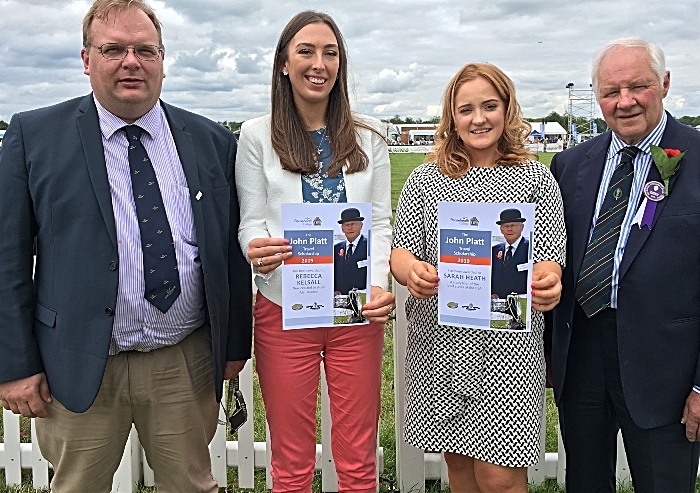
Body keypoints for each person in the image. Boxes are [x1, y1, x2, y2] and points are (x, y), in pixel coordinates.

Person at [0, 1, 252, 491]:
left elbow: (228, 254)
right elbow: (7, 261)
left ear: (162, 59)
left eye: (144, 49)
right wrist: (14, 365)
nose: (131, 61)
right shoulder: (35, 137)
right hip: (76, 361)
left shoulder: (210, 141)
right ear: (86, 58)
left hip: (183, 360)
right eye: (113, 49)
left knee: (191, 484)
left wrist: (234, 344)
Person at [235, 11, 394, 492]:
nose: (318, 63)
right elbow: (251, 221)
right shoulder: (256, 135)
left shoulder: (371, 135)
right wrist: (254, 249)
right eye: (305, 51)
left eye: (330, 52)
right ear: (284, 62)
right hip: (284, 308)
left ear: (341, 64)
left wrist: (379, 285)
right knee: (290, 459)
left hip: (354, 313)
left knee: (357, 454)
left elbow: (381, 221)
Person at [390, 63, 565, 493]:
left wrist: (547, 280)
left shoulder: (535, 179)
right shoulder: (426, 179)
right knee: (462, 472)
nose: (479, 118)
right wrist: (413, 272)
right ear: (452, 117)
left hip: (508, 353)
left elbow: (549, 257)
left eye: (490, 106)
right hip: (443, 347)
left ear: (507, 109)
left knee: (501, 480)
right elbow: (401, 251)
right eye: (466, 109)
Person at [546, 36, 700, 492]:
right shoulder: (570, 165)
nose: (625, 102)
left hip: (668, 370)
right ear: (598, 97)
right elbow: (554, 258)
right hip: (582, 358)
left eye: (639, 87)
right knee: (586, 482)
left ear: (666, 83)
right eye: (611, 92)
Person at [491, 208, 530, 299]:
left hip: (521, 304)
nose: (510, 229)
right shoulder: (494, 250)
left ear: (522, 227)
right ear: (501, 229)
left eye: (513, 225)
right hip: (497, 305)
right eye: (506, 226)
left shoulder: (530, 248)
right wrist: (492, 293)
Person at [334, 207, 368, 295]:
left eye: (353, 224)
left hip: (362, 298)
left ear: (361, 226)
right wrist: (334, 289)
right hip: (340, 298)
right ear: (342, 228)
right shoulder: (336, 248)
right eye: (346, 225)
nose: (350, 228)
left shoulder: (369, 245)